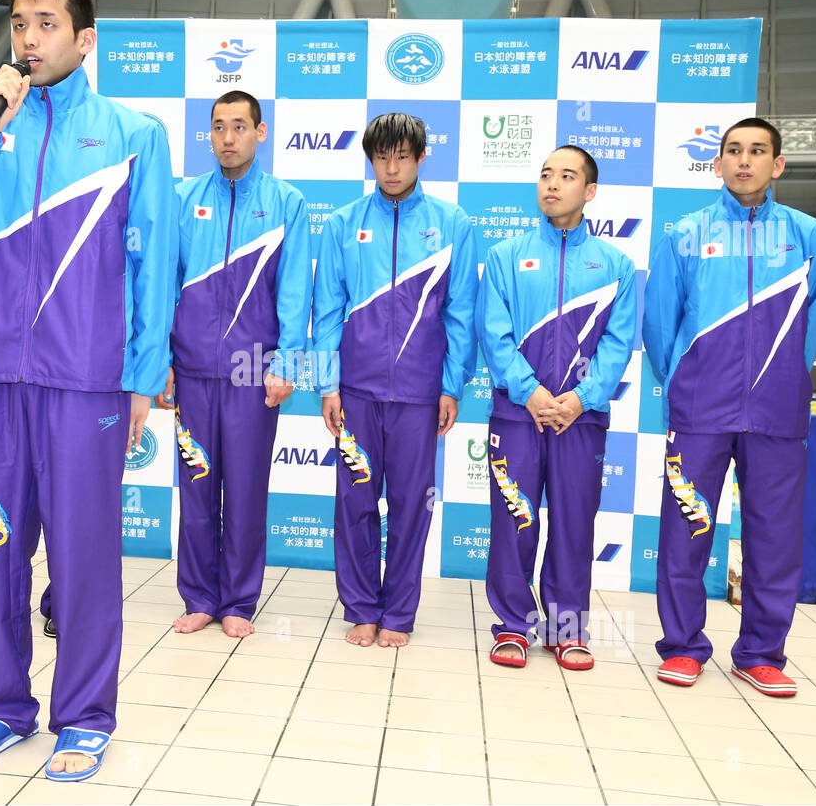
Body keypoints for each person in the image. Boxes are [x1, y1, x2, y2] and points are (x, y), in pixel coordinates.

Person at [0, 0, 177, 781]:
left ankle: (85, 716)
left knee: (84, 556)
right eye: (20, 24)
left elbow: (155, 261)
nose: (29, 39)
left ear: (84, 38)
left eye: (48, 24)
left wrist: (140, 376)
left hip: (85, 382)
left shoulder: (134, 134)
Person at [643, 117, 816, 697]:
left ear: (777, 165)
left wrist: (786, 380)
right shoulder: (683, 233)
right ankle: (681, 646)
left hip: (777, 415)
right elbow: (660, 323)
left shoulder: (808, 237)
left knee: (774, 537)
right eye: (733, 150)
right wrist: (682, 379)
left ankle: (761, 652)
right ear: (719, 163)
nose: (744, 160)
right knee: (686, 529)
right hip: (700, 411)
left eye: (757, 151)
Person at [312, 113, 478, 648]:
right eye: (380, 156)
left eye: (402, 156)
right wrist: (329, 385)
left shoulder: (453, 225)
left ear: (421, 157)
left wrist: (451, 386)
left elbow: (461, 314)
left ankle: (399, 613)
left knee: (411, 507)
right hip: (356, 395)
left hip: (418, 395)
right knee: (356, 503)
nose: (390, 167)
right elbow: (328, 309)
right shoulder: (341, 224)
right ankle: (361, 607)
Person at [154, 90, 312, 638]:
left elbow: (294, 289)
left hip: (252, 368)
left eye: (239, 126)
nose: (227, 137)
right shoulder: (183, 198)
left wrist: (287, 361)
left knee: (245, 491)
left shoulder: (286, 202)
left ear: (260, 132)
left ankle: (240, 600)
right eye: (218, 127)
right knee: (197, 486)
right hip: (193, 367)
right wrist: (161, 359)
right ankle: (199, 596)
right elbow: (164, 284)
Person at [475, 146, 636, 671]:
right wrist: (530, 392)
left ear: (589, 192)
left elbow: (618, 342)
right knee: (514, 520)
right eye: (545, 174)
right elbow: (493, 334)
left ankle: (567, 629)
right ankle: (513, 626)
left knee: (573, 524)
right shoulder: (504, 256)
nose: (552, 184)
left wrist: (581, 399)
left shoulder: (615, 265)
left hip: (579, 420)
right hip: (517, 415)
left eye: (567, 177)